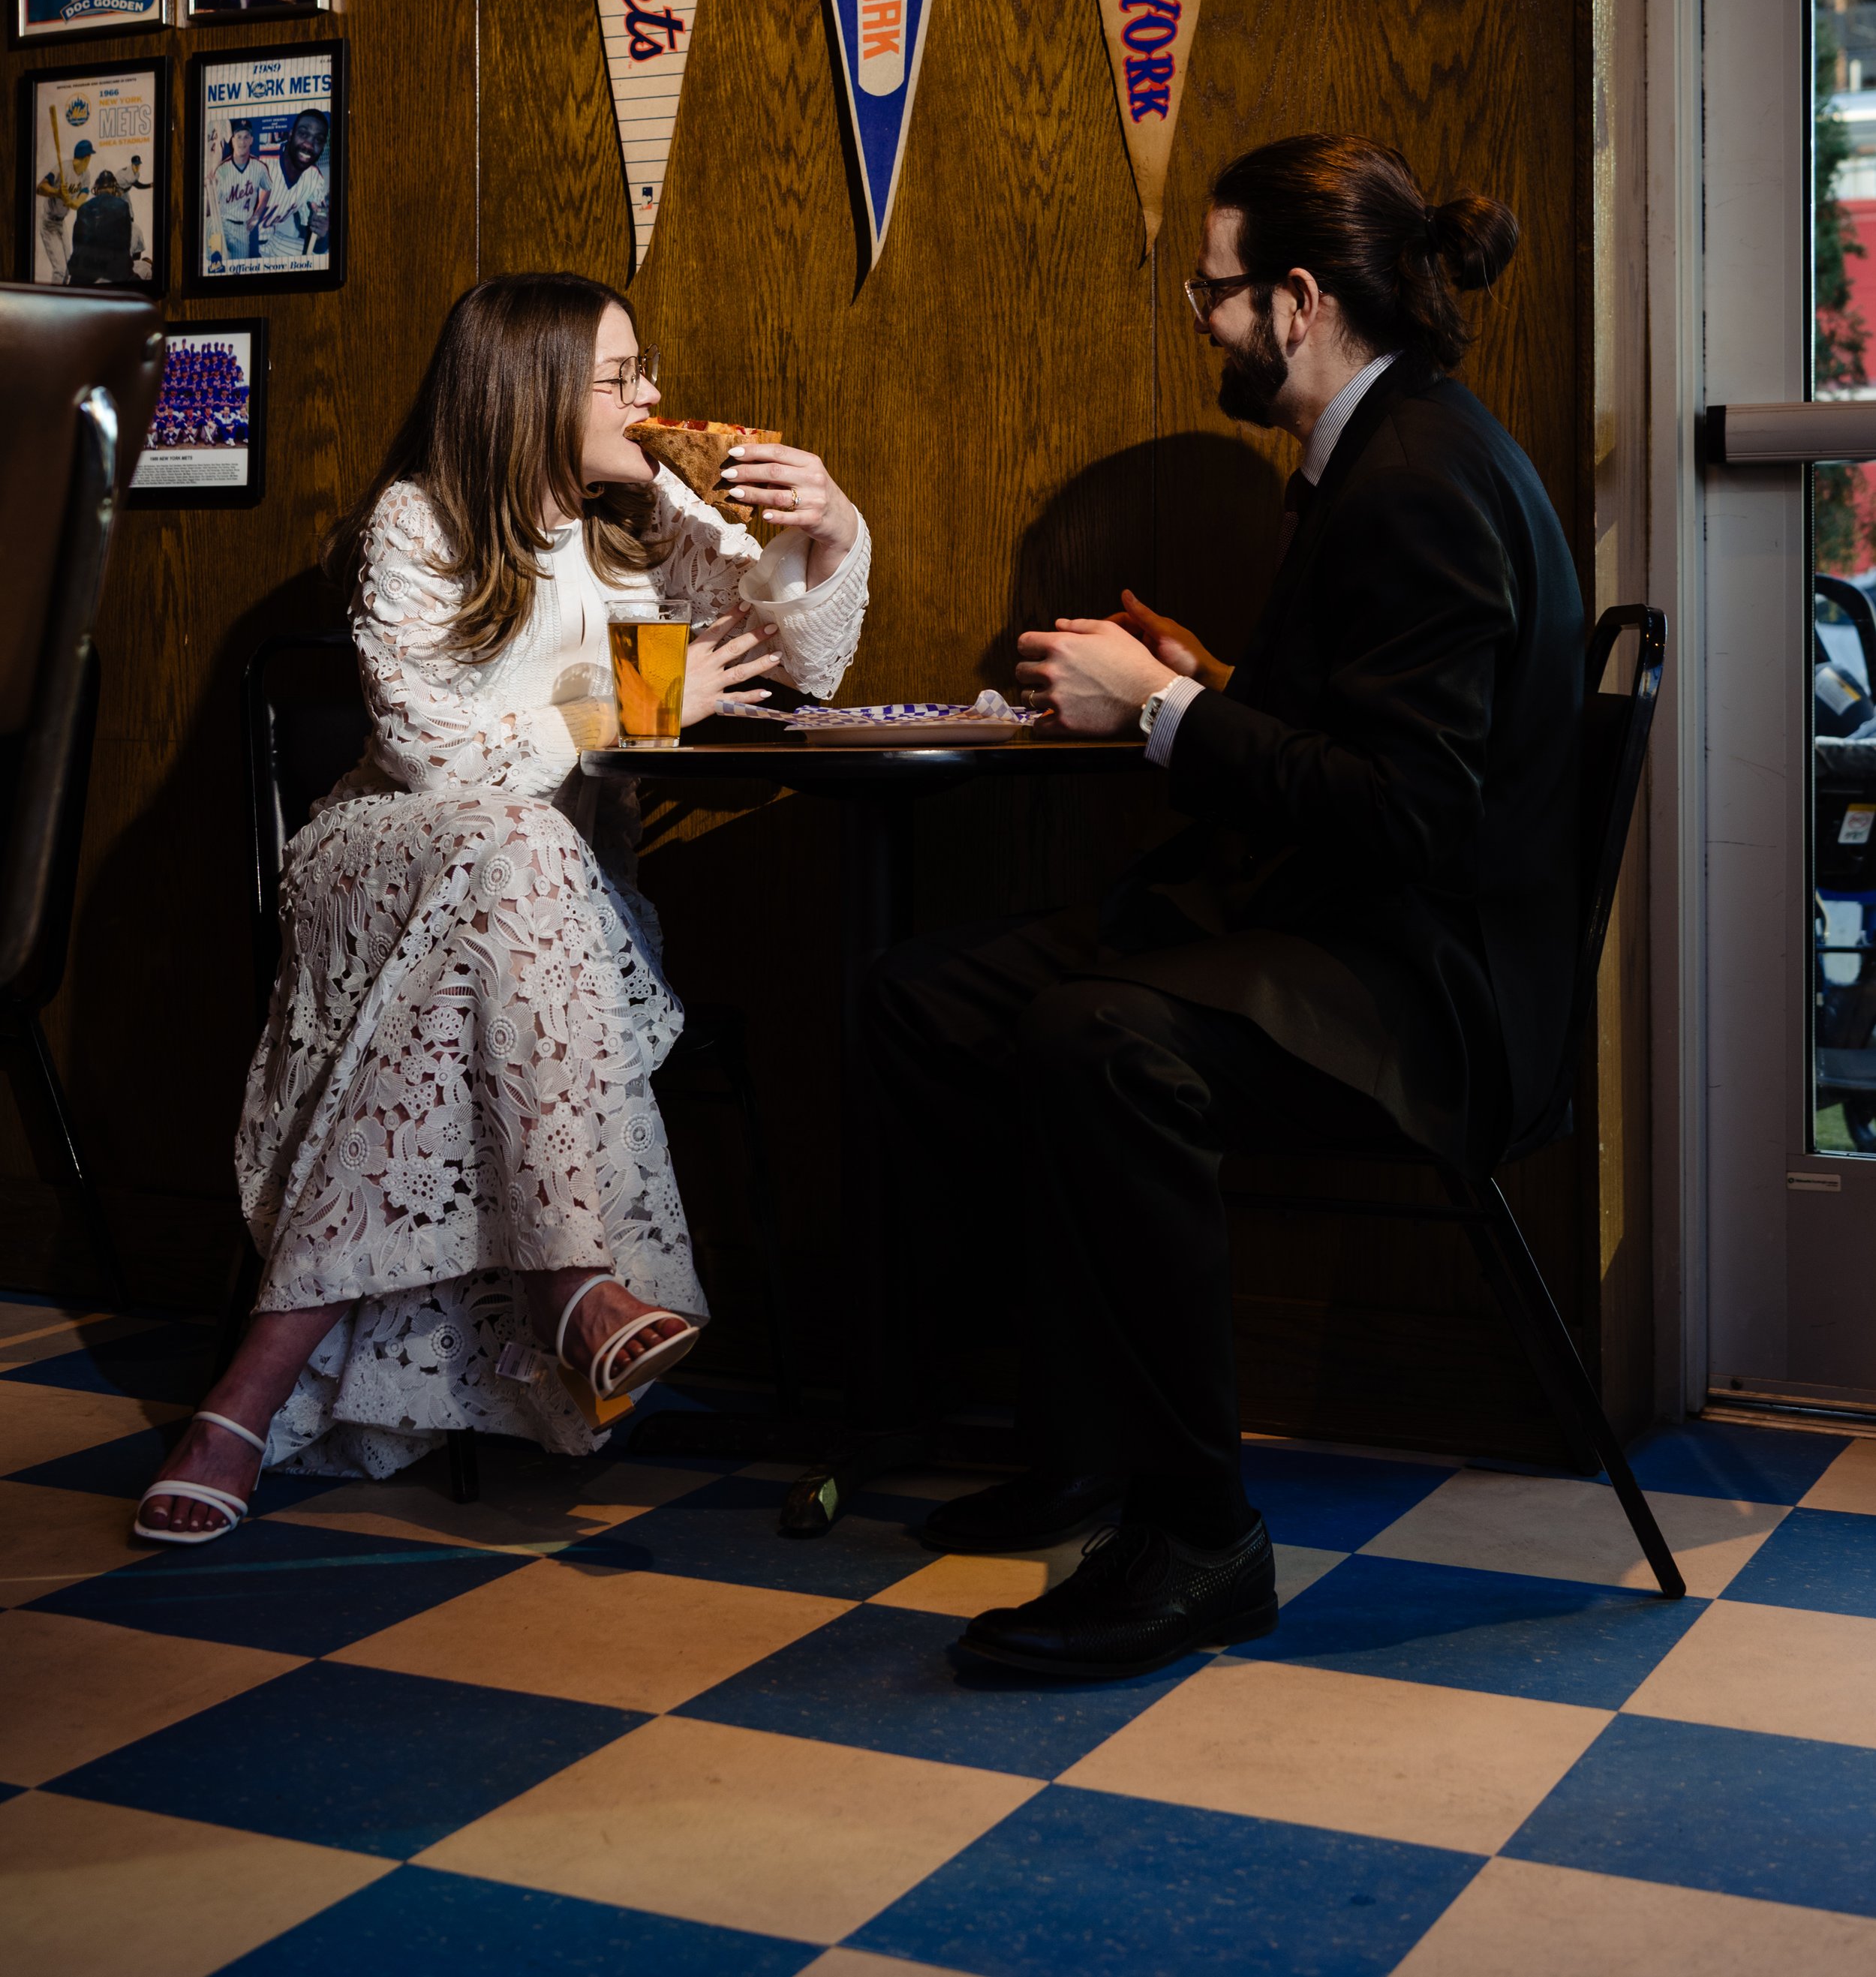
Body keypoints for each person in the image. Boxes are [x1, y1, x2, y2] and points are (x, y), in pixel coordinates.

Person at [867, 133, 1582, 1678]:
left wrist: (1158, 717)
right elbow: (1379, 743)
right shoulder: (1388, 455)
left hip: (1427, 989)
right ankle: (1079, 1448)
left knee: (1096, 1041)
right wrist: (1215, 684)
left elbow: (1416, 814)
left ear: (1296, 299)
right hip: (1351, 929)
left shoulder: (1414, 484)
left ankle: (1195, 1537)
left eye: (1210, 291)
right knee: (928, 996)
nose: (1197, 317)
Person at [137, 272, 870, 1541]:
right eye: (622, 376)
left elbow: (804, 663)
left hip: (556, 904)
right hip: (382, 866)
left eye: (646, 373)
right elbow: (440, 762)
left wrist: (834, 526)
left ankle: (251, 1393)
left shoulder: (640, 525)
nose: (650, 398)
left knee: (524, 863)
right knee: (512, 838)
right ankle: (573, 1285)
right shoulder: (416, 528)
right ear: (529, 389)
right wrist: (633, 709)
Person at [255, 108, 330, 265]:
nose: (309, 145)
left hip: (271, 242)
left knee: (324, 260)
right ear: (291, 134)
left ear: (323, 147)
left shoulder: (314, 179)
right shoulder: (260, 161)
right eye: (303, 134)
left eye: (318, 140)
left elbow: (316, 243)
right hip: (237, 243)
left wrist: (322, 233)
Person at [66, 167, 144, 287]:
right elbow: (124, 246)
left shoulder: (83, 208)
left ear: (97, 189)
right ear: (113, 188)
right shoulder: (122, 206)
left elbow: (77, 244)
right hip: (113, 270)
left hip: (84, 271)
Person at [209, 121, 269, 263]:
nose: (243, 142)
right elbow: (212, 206)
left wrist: (257, 215)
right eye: (239, 137)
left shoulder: (260, 168)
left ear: (252, 140)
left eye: (246, 137)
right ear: (232, 140)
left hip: (242, 229)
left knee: (239, 271)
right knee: (216, 267)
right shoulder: (222, 170)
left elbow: (268, 188)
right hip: (220, 225)